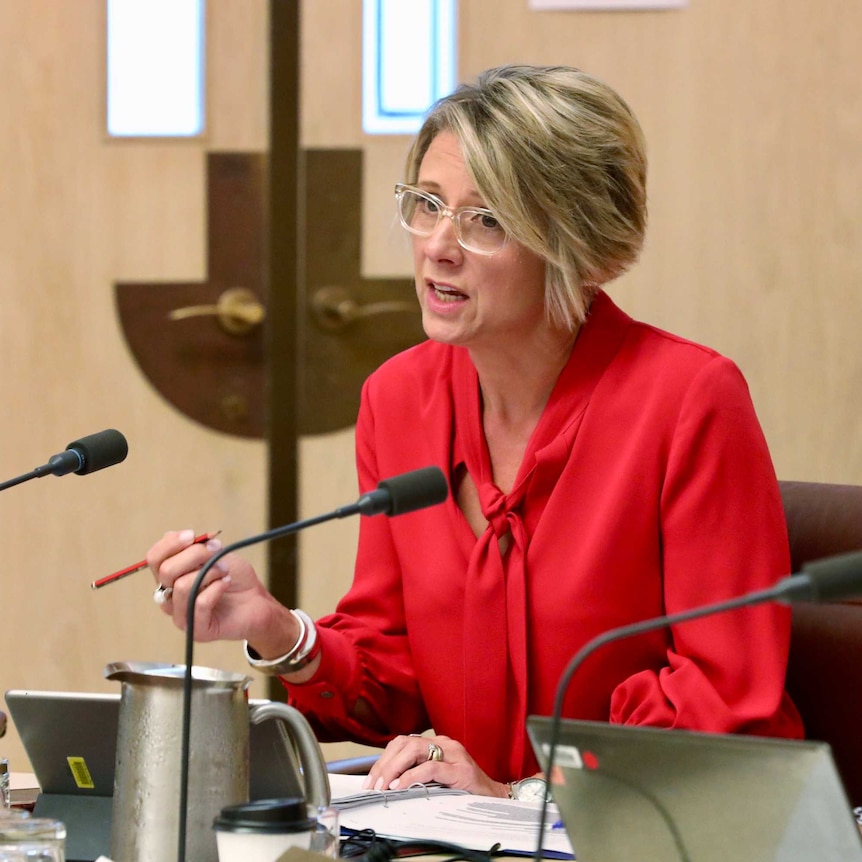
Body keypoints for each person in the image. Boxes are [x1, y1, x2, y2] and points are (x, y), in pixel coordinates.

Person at [147, 64, 803, 800]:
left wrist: (518, 796)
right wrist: (275, 628)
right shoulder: (398, 400)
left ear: (576, 242)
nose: (437, 246)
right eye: (427, 205)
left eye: (485, 219)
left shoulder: (688, 402)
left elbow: (723, 700)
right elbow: (393, 679)